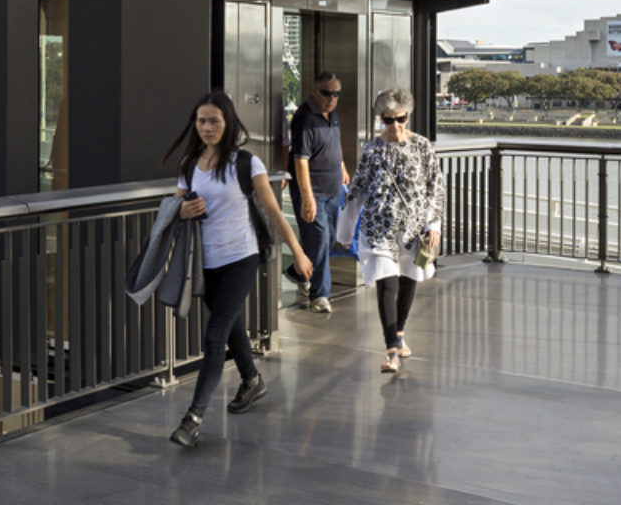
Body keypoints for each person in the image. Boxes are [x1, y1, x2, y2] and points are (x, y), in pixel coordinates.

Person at [165, 90, 313, 448]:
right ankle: (252, 380)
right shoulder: (189, 164)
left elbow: (273, 211)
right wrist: (180, 211)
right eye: (201, 121)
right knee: (231, 328)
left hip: (240, 259)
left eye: (214, 120)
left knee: (215, 336)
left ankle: (193, 418)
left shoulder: (246, 163)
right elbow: (175, 206)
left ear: (228, 123)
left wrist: (298, 252)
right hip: (204, 263)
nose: (207, 127)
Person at [345, 86, 443, 372]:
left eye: (400, 119)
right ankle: (391, 351)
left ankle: (399, 333)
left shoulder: (423, 146)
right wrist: (345, 229)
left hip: (413, 230)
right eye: (387, 120)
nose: (395, 125)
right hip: (378, 228)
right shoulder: (372, 148)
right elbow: (358, 188)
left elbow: (434, 188)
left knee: (408, 279)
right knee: (386, 282)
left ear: (408, 116)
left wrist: (433, 224)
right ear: (380, 119)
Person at [287, 71, 350, 313]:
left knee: (328, 239)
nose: (332, 98)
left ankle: (297, 271)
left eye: (336, 94)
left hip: (333, 188)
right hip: (314, 192)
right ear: (315, 91)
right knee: (321, 240)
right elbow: (300, 160)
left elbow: (335, 143)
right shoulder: (305, 118)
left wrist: (342, 166)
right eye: (326, 93)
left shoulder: (332, 114)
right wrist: (307, 197)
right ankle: (319, 295)